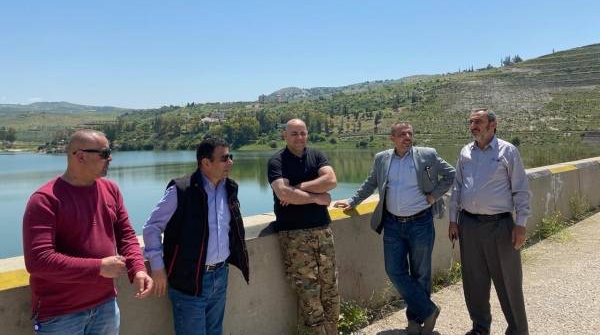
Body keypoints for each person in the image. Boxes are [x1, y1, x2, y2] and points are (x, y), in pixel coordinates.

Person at [22, 129, 153, 335]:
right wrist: (98, 267)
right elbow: (39, 261)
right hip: (61, 314)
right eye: (104, 153)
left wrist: (137, 268)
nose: (110, 158)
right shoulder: (45, 200)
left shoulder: (111, 190)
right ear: (81, 156)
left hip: (105, 306)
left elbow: (126, 235)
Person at [334, 122, 455, 335]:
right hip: (392, 224)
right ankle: (429, 310)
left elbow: (451, 174)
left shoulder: (427, 154)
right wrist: (353, 201)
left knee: (421, 274)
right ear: (392, 138)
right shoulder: (382, 158)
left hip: (420, 223)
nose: (407, 137)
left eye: (410, 133)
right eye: (402, 134)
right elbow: (371, 182)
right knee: (394, 270)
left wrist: (434, 195)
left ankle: (415, 322)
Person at [143, 137, 249, 335]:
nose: (230, 162)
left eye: (231, 157)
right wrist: (157, 268)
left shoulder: (229, 188)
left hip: (220, 275)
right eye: (224, 158)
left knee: (215, 331)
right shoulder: (181, 190)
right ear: (206, 163)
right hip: (189, 279)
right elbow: (151, 228)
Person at [448, 109, 531, 335]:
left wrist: (520, 224)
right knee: (473, 281)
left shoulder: (508, 151)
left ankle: (517, 330)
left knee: (508, 281)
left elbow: (521, 190)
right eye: (471, 122)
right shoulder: (465, 151)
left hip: (499, 225)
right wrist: (453, 220)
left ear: (493, 124)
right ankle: (480, 327)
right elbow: (457, 187)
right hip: (468, 224)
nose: (473, 126)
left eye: (478, 121)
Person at [267, 118, 340, 335]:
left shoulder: (316, 155)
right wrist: (317, 198)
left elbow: (331, 180)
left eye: (303, 133)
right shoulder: (276, 161)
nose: (299, 137)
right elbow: (283, 193)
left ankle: (333, 331)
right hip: (294, 235)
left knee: (330, 286)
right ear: (285, 135)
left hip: (322, 230)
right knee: (308, 291)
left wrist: (298, 188)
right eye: (294, 133)